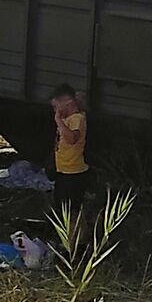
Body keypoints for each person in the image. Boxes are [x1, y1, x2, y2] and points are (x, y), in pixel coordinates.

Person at [50, 84, 90, 215]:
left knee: (70, 209)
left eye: (56, 107)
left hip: (73, 172)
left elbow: (72, 138)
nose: (55, 110)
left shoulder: (77, 119)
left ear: (67, 103)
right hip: (63, 170)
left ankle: (75, 232)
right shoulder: (67, 119)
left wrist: (58, 121)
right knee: (60, 206)